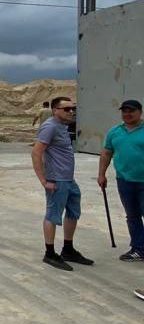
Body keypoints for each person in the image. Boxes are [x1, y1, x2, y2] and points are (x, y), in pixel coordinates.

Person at [31, 96, 94, 270]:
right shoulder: (50, 126)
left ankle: (68, 249)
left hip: (68, 179)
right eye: (66, 109)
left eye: (73, 108)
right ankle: (49, 253)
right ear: (55, 110)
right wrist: (44, 181)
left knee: (73, 212)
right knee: (53, 214)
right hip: (56, 179)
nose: (71, 112)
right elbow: (36, 153)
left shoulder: (62, 126)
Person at [97, 100, 144, 290]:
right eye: (124, 111)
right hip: (124, 180)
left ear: (140, 112)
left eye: (131, 111)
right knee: (132, 216)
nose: (127, 114)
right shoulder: (114, 131)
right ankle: (139, 248)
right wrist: (101, 174)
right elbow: (106, 153)